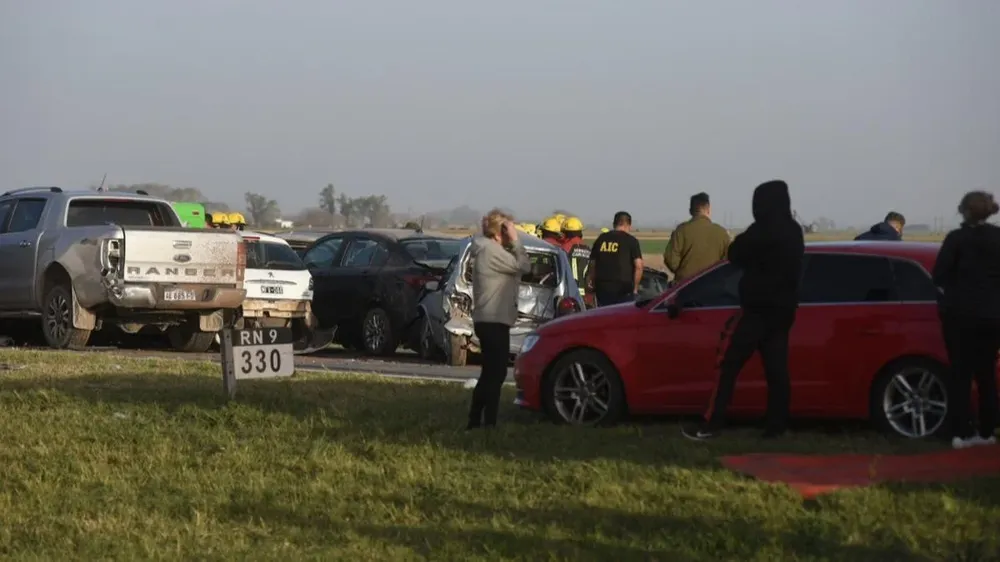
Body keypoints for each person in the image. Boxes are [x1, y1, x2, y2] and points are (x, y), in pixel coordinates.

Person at [682, 180, 805, 441]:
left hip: (757, 311)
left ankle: (712, 423)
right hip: (783, 312)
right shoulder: (794, 231)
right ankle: (776, 427)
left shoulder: (762, 230)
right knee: (777, 372)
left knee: (728, 365)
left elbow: (736, 252)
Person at [932, 191, 1000, 449]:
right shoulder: (998, 238)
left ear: (964, 211)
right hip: (993, 317)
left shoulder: (956, 239)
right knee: (987, 375)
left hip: (961, 317)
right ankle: (987, 431)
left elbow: (939, 276)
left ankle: (961, 431)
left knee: (960, 374)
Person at [467, 209, 531, 429]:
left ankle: (477, 420)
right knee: (495, 374)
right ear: (500, 231)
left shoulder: (487, 249)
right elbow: (524, 266)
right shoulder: (491, 251)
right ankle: (486, 422)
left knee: (491, 372)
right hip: (493, 320)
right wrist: (515, 241)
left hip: (491, 319)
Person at [663, 192, 732, 283]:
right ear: (708, 209)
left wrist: (682, 271)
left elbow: (671, 260)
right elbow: (727, 263)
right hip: (713, 286)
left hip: (684, 287)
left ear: (690, 210)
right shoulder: (722, 233)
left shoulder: (681, 230)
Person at [585, 211, 643, 306]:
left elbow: (592, 265)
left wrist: (590, 285)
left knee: (604, 316)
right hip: (624, 290)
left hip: (602, 289)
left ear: (614, 224)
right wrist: (635, 289)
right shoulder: (631, 241)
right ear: (628, 225)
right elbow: (639, 266)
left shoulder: (601, 239)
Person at [559, 217, 591, 303]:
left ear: (565, 233)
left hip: (570, 294)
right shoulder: (589, 249)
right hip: (586, 295)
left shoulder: (564, 249)